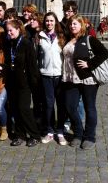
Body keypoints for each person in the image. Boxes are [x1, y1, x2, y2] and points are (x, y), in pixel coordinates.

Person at [62, 14, 108, 150]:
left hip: (88, 79)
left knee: (89, 107)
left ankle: (89, 136)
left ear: (81, 25)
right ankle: (78, 133)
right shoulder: (68, 39)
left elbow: (104, 53)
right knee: (70, 106)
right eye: (71, 24)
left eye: (75, 24)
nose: (72, 26)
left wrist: (90, 64)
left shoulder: (89, 39)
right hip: (71, 79)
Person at [5, 19, 40, 147]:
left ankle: (34, 134)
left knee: (24, 108)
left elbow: (32, 66)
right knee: (15, 109)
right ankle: (20, 135)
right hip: (12, 81)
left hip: (24, 82)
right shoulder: (9, 43)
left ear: (18, 29)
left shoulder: (26, 43)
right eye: (8, 31)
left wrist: (34, 83)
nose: (9, 33)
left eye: (11, 30)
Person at [38, 12, 67, 145]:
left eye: (51, 20)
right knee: (48, 105)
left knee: (61, 105)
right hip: (46, 75)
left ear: (55, 21)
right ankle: (50, 131)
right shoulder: (40, 37)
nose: (49, 23)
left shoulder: (62, 37)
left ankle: (60, 131)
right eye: (47, 21)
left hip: (60, 75)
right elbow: (38, 57)